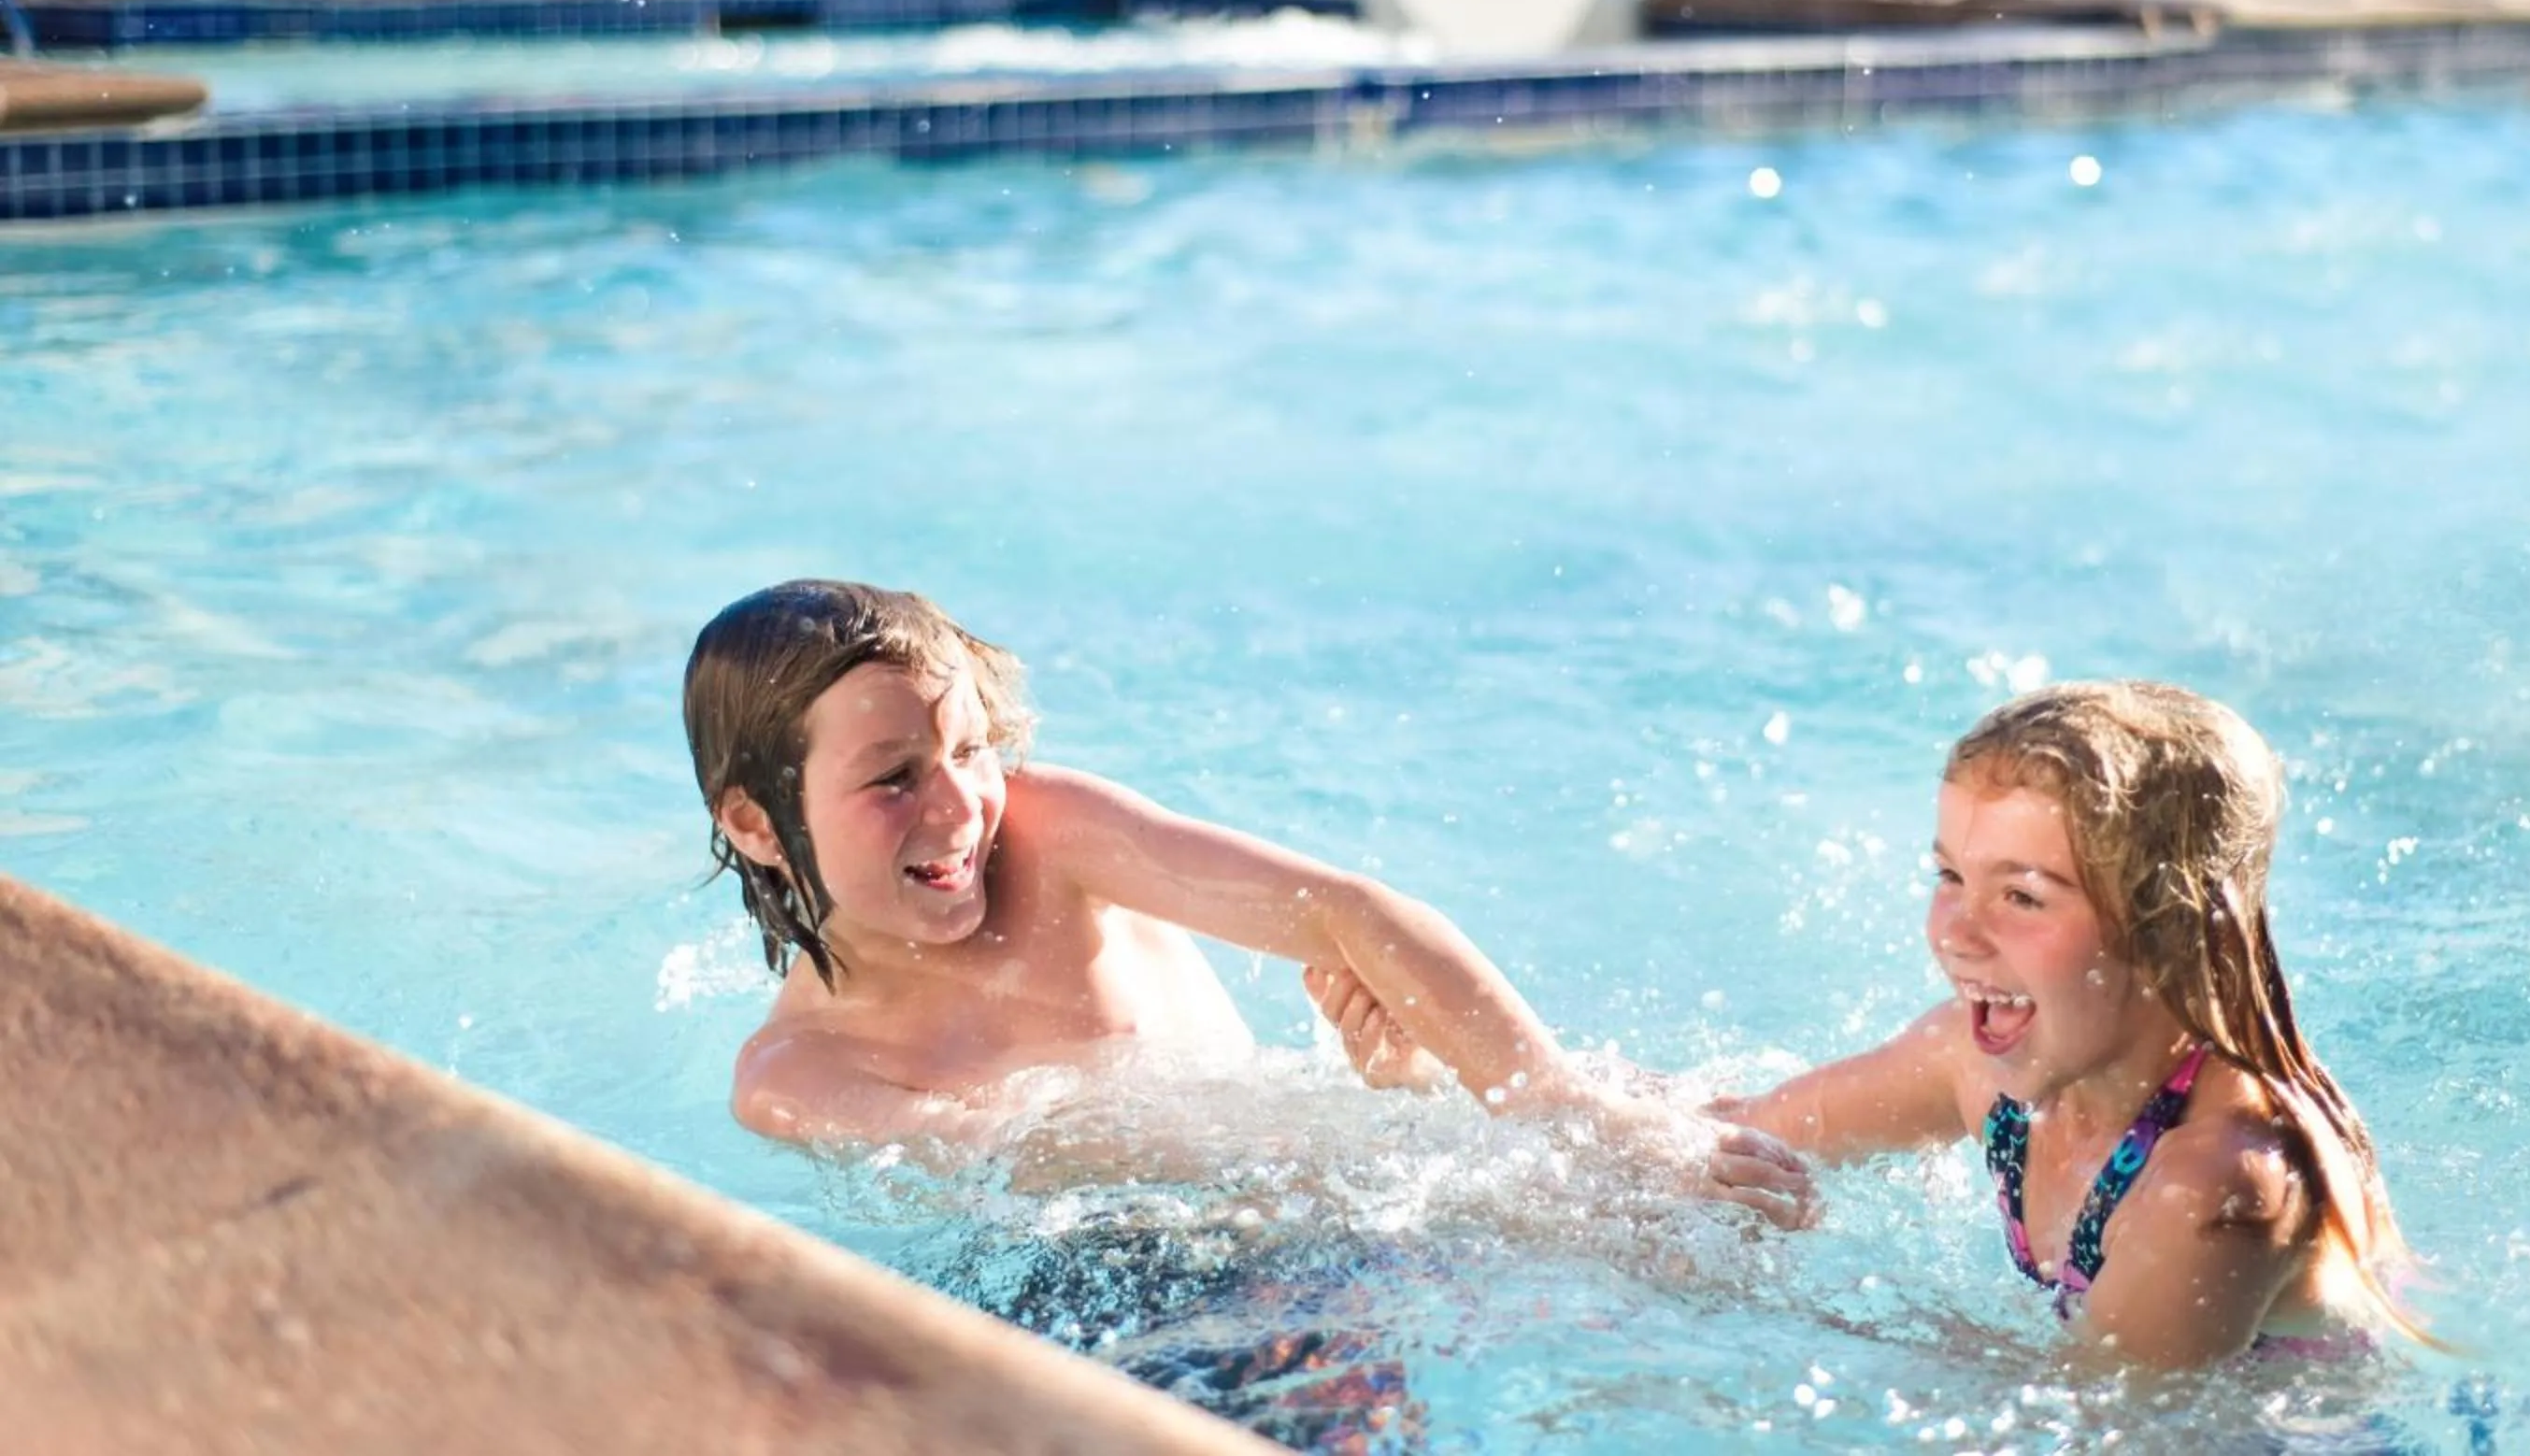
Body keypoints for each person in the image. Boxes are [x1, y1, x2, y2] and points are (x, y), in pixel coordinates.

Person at [1312, 679, 2425, 1368]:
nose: (1958, 930)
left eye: (2023, 895)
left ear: (2164, 932)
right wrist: (1451, 1083)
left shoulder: (2213, 1187)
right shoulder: (1981, 1054)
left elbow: (2086, 1425)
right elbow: (1728, 1130)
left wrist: (1752, 1312)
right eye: (1949, 874)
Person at [682, 578, 1812, 1226]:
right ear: (754, 821)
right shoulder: (797, 1078)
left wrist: (1555, 1105)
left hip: (1306, 1200)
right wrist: (1496, 1192)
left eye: (972, 747)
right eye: (892, 778)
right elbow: (1073, 1166)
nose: (962, 804)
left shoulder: (1054, 835)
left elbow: (1344, 911)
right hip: (1118, 1276)